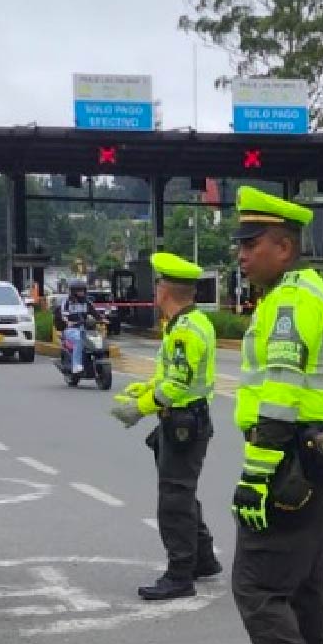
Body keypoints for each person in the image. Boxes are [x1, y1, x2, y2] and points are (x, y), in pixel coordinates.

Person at [225, 186, 323, 644]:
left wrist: (255, 475)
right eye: (241, 245)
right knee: (303, 581)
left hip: (291, 455)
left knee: (256, 583)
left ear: (284, 245)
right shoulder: (298, 294)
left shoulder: (289, 302)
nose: (241, 255)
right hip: (314, 453)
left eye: (252, 244)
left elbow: (279, 396)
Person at [110, 251, 221, 601]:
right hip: (185, 419)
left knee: (173, 500)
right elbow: (168, 377)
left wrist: (138, 409)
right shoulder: (187, 323)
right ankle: (202, 559)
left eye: (158, 284)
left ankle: (180, 575)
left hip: (184, 423)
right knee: (182, 492)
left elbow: (177, 385)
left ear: (165, 292)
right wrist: (143, 389)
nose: (156, 290)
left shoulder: (185, 331)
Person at [58, 280, 101, 373]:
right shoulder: (67, 302)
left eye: (83, 290)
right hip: (71, 330)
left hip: (85, 329)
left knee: (96, 338)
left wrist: (103, 319)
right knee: (78, 340)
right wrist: (68, 322)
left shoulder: (87, 302)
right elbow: (63, 315)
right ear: (73, 291)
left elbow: (95, 313)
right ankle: (76, 365)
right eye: (79, 290)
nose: (81, 292)